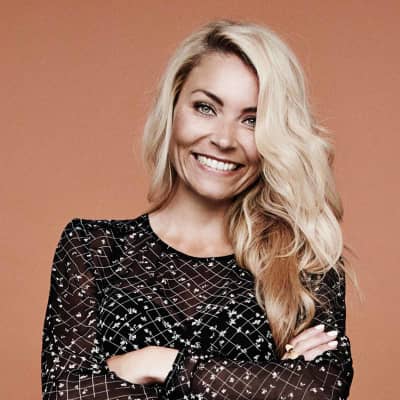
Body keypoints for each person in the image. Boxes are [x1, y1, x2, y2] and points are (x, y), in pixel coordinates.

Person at [41, 19, 357, 400]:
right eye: (206, 108)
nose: (223, 139)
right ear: (173, 108)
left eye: (252, 120)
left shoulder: (305, 263)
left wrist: (157, 363)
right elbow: (66, 393)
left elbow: (319, 389)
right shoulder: (93, 249)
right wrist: (261, 380)